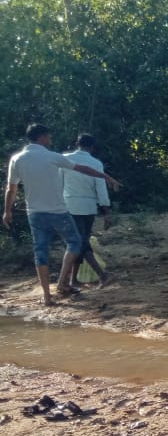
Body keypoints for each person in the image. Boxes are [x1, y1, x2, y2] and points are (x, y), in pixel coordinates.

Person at [3, 124, 116, 306]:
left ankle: (47, 296)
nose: (50, 139)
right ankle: (63, 282)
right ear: (42, 137)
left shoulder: (17, 159)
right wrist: (106, 177)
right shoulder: (53, 157)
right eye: (49, 136)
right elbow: (82, 169)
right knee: (76, 242)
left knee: (40, 251)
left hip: (35, 213)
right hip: (58, 211)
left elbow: (11, 188)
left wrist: (7, 211)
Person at [61, 133, 112, 288]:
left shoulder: (64, 159)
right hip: (89, 206)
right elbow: (101, 189)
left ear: (77, 144)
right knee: (81, 242)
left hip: (70, 205)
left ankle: (98, 276)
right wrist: (106, 211)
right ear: (92, 147)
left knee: (78, 243)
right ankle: (77, 278)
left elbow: (58, 184)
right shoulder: (96, 163)